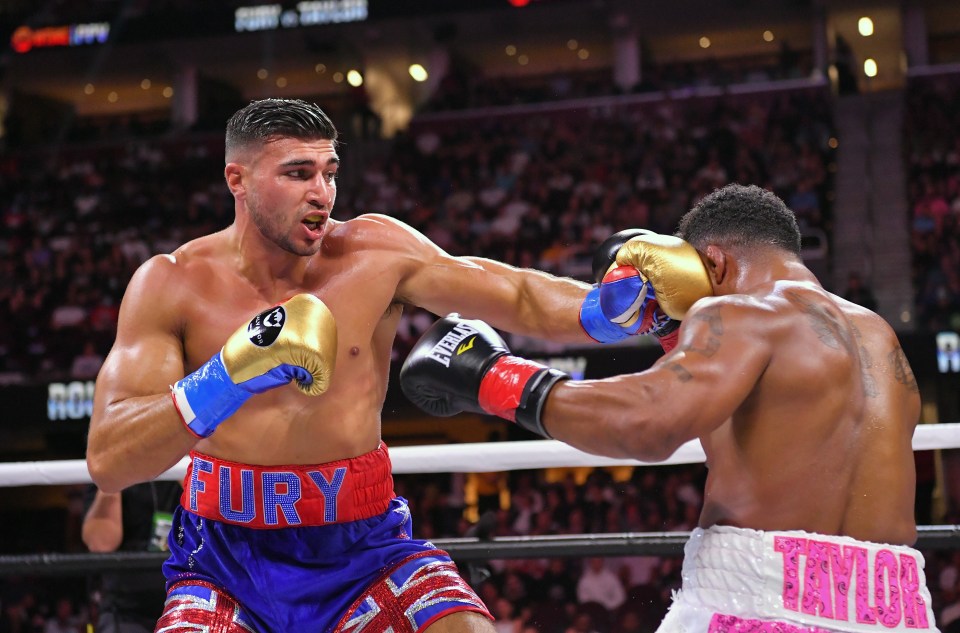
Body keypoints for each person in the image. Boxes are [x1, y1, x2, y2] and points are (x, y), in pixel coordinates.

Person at [85, 98, 610, 633]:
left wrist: (612, 309)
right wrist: (226, 376)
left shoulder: (374, 252)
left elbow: (517, 294)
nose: (321, 192)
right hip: (225, 559)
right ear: (236, 179)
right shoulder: (171, 284)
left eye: (329, 172)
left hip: (366, 546)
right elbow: (110, 459)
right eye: (297, 173)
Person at [401, 183, 937, 633]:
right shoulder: (878, 337)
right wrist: (673, 337)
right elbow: (782, 435)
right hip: (900, 609)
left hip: (759, 603)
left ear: (714, 261)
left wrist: (494, 376)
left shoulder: (742, 313)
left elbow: (647, 422)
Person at [82, 481, 182, 632]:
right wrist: (113, 477)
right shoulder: (109, 469)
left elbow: (215, 530)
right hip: (125, 608)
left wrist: (190, 473)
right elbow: (101, 544)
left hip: (189, 601)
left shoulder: (191, 466)